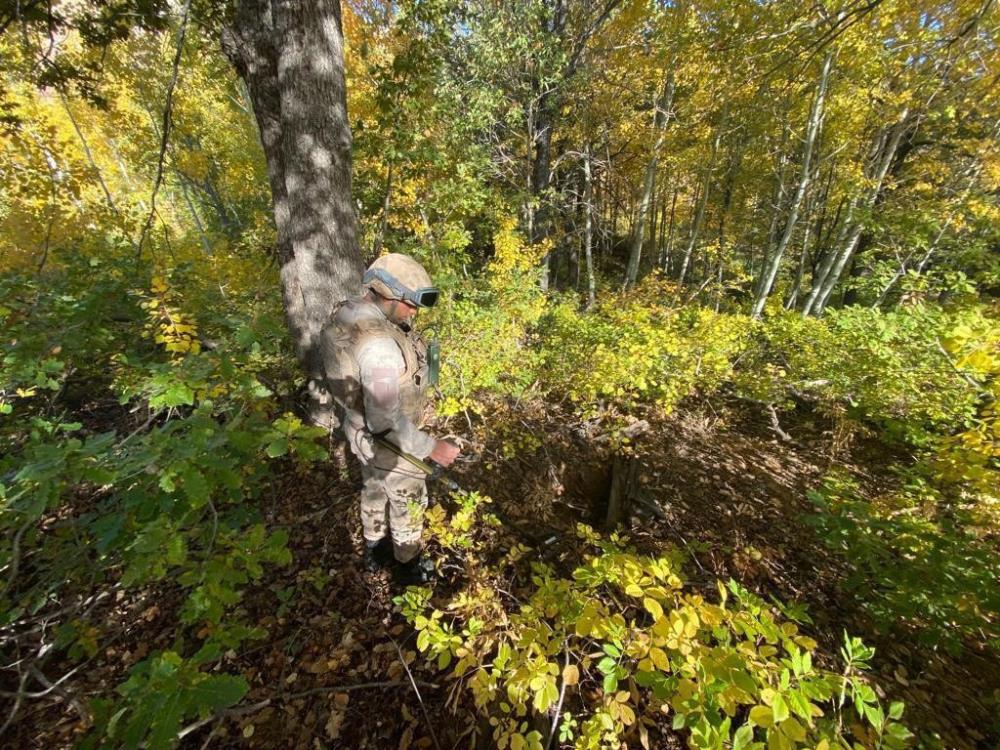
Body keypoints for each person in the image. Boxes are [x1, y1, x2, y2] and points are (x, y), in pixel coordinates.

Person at [320, 253, 460, 584]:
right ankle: (407, 566)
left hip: (358, 431)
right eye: (409, 303)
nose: (414, 311)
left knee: (372, 488)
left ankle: (374, 551)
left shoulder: (349, 313)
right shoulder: (380, 346)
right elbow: (385, 420)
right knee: (408, 500)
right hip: (390, 443)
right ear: (384, 292)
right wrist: (431, 447)